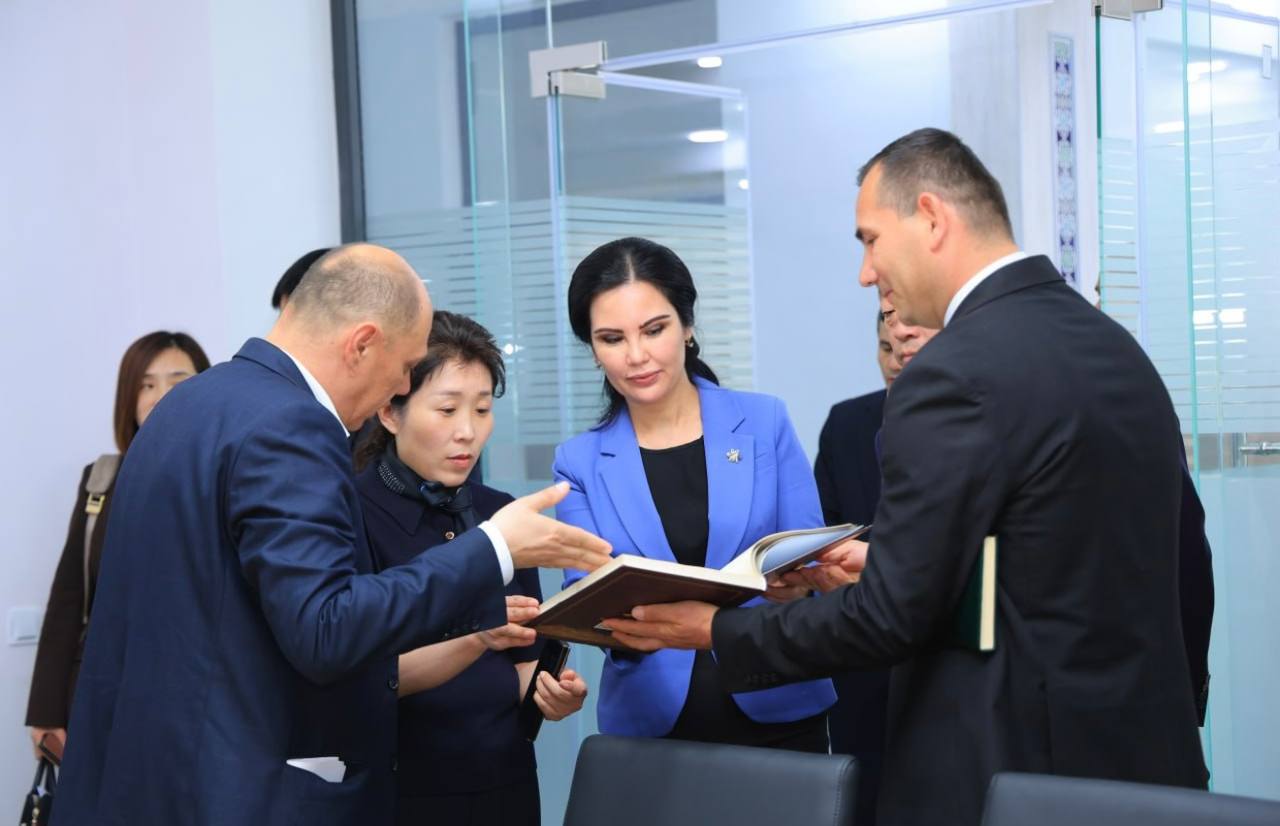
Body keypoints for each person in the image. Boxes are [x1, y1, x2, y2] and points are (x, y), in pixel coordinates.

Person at [602, 129, 1209, 826]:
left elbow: (888, 621)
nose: (867, 273)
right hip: (1142, 764)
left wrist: (718, 631)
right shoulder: (1114, 347)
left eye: (870, 240)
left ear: (931, 217)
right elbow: (1080, 565)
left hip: (1017, 774)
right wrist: (890, 565)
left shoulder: (953, 374)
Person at [53, 244, 612, 826]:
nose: (400, 385)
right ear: (362, 343)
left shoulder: (189, 403)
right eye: (405, 366)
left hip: (145, 782)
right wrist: (494, 547)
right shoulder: (292, 424)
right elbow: (325, 628)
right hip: (234, 790)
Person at [552, 237, 836, 751]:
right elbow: (588, 599)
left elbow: (809, 557)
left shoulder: (764, 422)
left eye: (654, 330)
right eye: (612, 339)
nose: (636, 356)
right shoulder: (578, 462)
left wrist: (800, 586)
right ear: (593, 350)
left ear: (686, 327)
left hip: (778, 700)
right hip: (652, 724)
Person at [354, 310, 587, 825]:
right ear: (390, 412)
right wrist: (476, 638)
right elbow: (362, 678)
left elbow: (521, 663)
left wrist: (550, 692)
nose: (467, 432)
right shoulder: (352, 514)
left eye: (482, 409)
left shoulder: (501, 511)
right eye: (446, 409)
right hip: (402, 791)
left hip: (505, 783)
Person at [26, 331, 210, 760]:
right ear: (129, 398)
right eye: (146, 384)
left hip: (196, 696)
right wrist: (46, 713)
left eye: (179, 381)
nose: (161, 396)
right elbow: (69, 597)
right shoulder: (102, 480)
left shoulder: (228, 476)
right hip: (102, 692)